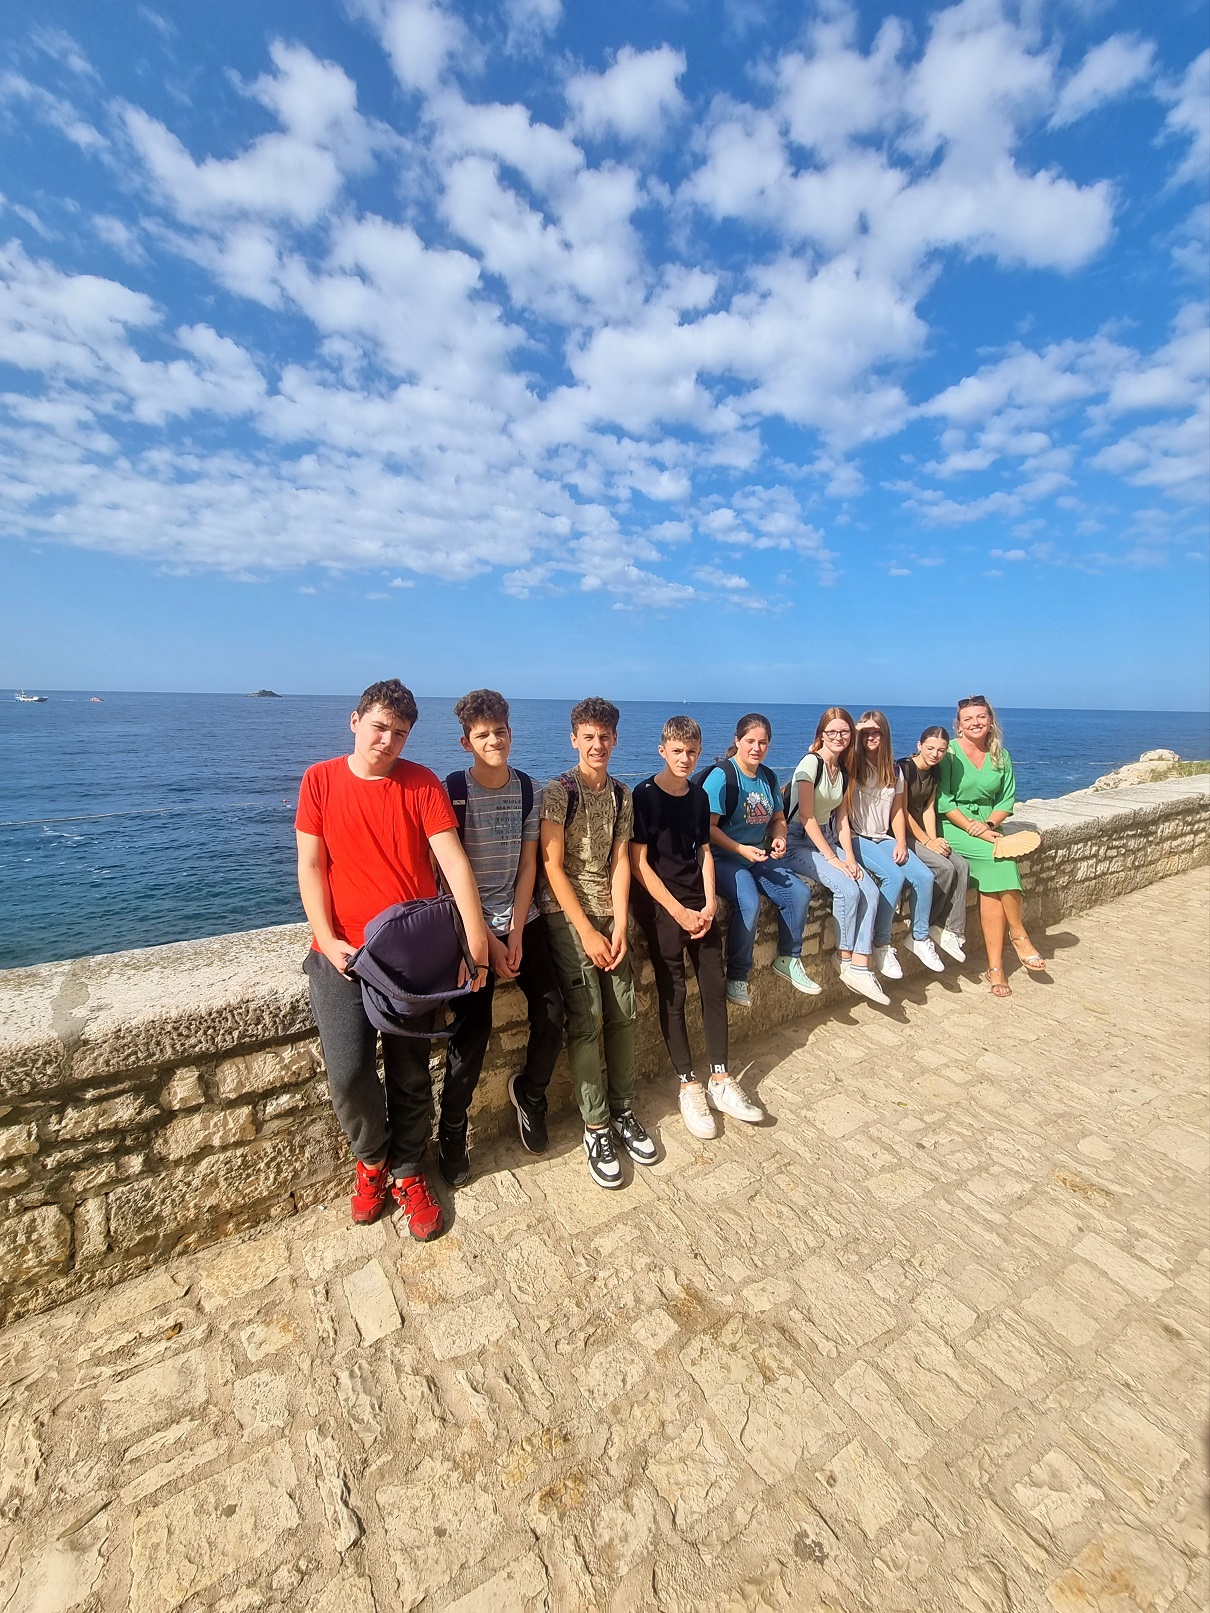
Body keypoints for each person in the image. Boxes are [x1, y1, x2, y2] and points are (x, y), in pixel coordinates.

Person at [295, 679, 490, 1240]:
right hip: (342, 953)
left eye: (400, 733)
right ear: (355, 721)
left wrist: (476, 944)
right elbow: (311, 866)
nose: (387, 740)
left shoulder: (421, 783)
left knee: (410, 1074)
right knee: (348, 1072)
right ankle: (372, 1160)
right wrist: (326, 937)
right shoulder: (319, 780)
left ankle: (407, 1170)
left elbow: (453, 862)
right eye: (379, 727)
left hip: (409, 957)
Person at [440, 690, 565, 1181]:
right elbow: (448, 876)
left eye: (500, 731)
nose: (494, 740)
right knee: (472, 1031)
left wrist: (513, 933)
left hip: (521, 920)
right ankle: (452, 1128)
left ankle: (530, 1094)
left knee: (553, 1011)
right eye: (482, 735)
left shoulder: (530, 791)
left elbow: (528, 865)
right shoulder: (453, 791)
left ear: (511, 732)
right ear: (466, 742)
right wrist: (488, 942)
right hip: (468, 924)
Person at [539, 697, 656, 1190]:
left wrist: (620, 924)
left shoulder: (622, 795)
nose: (597, 745)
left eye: (604, 736)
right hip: (568, 916)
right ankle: (596, 1126)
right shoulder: (558, 792)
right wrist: (586, 930)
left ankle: (623, 1110)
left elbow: (621, 862)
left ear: (615, 739)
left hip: (610, 913)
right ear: (574, 739)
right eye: (588, 736)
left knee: (624, 1012)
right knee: (586, 1018)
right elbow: (551, 866)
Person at [630, 715, 763, 1141]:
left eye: (691, 752)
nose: (684, 759)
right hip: (660, 905)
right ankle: (689, 1085)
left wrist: (707, 903)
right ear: (662, 751)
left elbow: (704, 851)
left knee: (714, 985)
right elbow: (638, 864)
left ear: (700, 752)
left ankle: (720, 1079)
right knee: (674, 993)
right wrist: (678, 912)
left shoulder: (699, 796)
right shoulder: (644, 796)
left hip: (696, 900)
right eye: (677, 751)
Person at [937, 696, 1047, 998]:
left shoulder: (1001, 755)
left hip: (986, 825)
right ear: (959, 725)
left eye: (981, 717)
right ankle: (1019, 933)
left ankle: (996, 968)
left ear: (990, 721)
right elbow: (944, 801)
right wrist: (972, 827)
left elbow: (1006, 800)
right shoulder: (950, 754)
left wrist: (987, 825)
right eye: (968, 719)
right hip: (953, 825)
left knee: (992, 889)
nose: (975, 723)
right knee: (1003, 860)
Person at [704, 713, 816, 1008]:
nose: (756, 748)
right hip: (723, 857)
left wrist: (779, 838)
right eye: (750, 741)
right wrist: (740, 849)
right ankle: (737, 975)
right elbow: (707, 827)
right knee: (749, 902)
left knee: (798, 893)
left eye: (763, 742)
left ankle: (788, 957)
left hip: (756, 854)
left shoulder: (767, 777)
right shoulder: (722, 777)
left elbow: (778, 819)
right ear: (737, 740)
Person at [782, 707, 887, 1005]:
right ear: (821, 735)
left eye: (845, 732)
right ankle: (844, 959)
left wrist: (849, 857)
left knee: (870, 890)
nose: (839, 737)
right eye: (832, 732)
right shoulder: (810, 764)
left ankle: (860, 962)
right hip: (797, 842)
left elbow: (841, 820)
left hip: (826, 837)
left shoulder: (842, 770)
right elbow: (806, 817)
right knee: (847, 889)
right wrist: (833, 859)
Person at [849, 712, 946, 980]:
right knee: (893, 876)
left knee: (924, 877)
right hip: (857, 836)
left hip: (883, 837)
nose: (871, 737)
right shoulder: (852, 764)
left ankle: (919, 937)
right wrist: (858, 728)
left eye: (877, 732)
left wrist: (901, 842)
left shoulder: (894, 770)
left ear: (885, 735)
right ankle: (881, 943)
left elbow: (898, 812)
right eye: (866, 732)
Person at [899, 726, 970, 963]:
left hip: (922, 831)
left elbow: (928, 808)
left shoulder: (935, 771)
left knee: (961, 866)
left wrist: (935, 840)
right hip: (902, 832)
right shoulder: (905, 769)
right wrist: (927, 841)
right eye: (930, 748)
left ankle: (952, 929)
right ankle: (924, 927)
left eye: (941, 750)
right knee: (944, 868)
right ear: (919, 745)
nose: (935, 754)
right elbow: (902, 812)